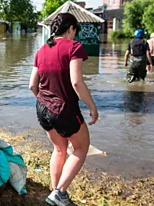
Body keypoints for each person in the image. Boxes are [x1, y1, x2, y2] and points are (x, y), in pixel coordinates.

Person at [29, 13, 99, 206]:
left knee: (59, 149)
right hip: (64, 110)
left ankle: (56, 193)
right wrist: (92, 106)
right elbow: (76, 82)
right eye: (74, 31)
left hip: (42, 109)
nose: (74, 35)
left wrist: (46, 102)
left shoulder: (41, 50)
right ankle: (59, 193)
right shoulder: (74, 47)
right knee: (80, 148)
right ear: (70, 29)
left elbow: (32, 86)